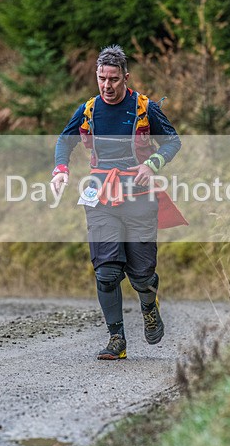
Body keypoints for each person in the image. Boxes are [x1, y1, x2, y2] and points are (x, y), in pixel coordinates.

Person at [52, 44, 183, 360]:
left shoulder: (145, 107)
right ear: (96, 77)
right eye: (101, 79)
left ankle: (149, 306)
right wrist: (60, 169)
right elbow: (64, 141)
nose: (107, 86)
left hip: (139, 197)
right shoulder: (87, 110)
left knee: (141, 275)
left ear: (126, 77)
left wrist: (151, 164)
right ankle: (117, 340)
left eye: (113, 79)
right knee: (107, 272)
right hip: (100, 197)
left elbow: (173, 142)